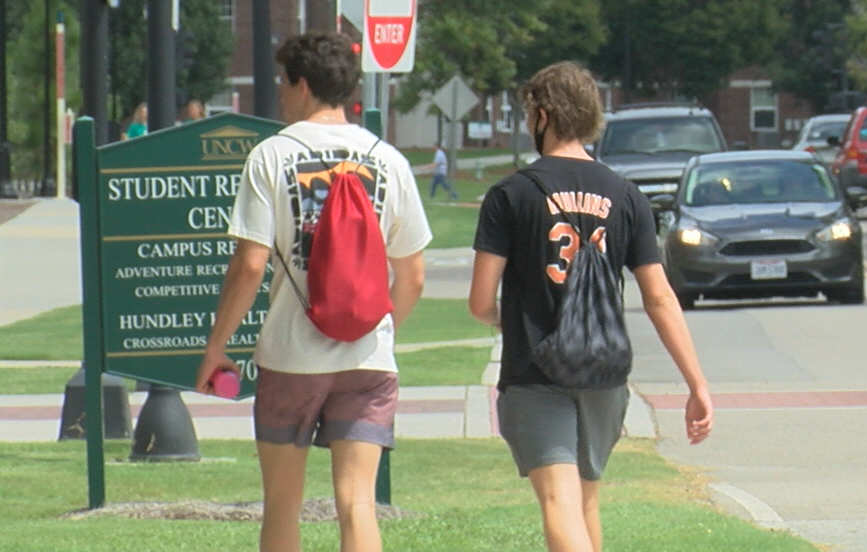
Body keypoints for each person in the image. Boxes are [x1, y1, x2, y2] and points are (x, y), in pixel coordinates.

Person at [196, 31, 431, 552]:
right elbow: (412, 275)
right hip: (368, 362)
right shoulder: (388, 160)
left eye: (284, 82)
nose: (280, 93)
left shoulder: (270, 156)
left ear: (302, 85)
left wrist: (217, 347)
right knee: (357, 504)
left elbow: (250, 264)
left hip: (291, 357)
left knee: (282, 505)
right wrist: (381, 330)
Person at [469, 61, 713, 552]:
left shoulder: (510, 195)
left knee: (559, 504)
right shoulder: (626, 195)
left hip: (536, 373)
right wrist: (697, 383)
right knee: (584, 503)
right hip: (603, 374)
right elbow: (660, 297)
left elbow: (479, 301)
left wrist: (505, 317)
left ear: (542, 114)